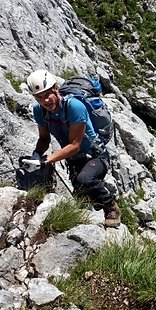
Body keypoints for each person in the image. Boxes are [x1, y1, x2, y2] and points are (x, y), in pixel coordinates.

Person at [26, 69, 121, 227]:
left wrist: (46, 160)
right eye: (40, 98)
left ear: (56, 88)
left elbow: (75, 145)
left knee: (85, 180)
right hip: (73, 160)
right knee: (82, 198)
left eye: (47, 94)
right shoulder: (39, 110)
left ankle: (111, 207)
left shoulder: (74, 106)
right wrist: (36, 155)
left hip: (95, 156)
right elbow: (44, 139)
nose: (45, 101)